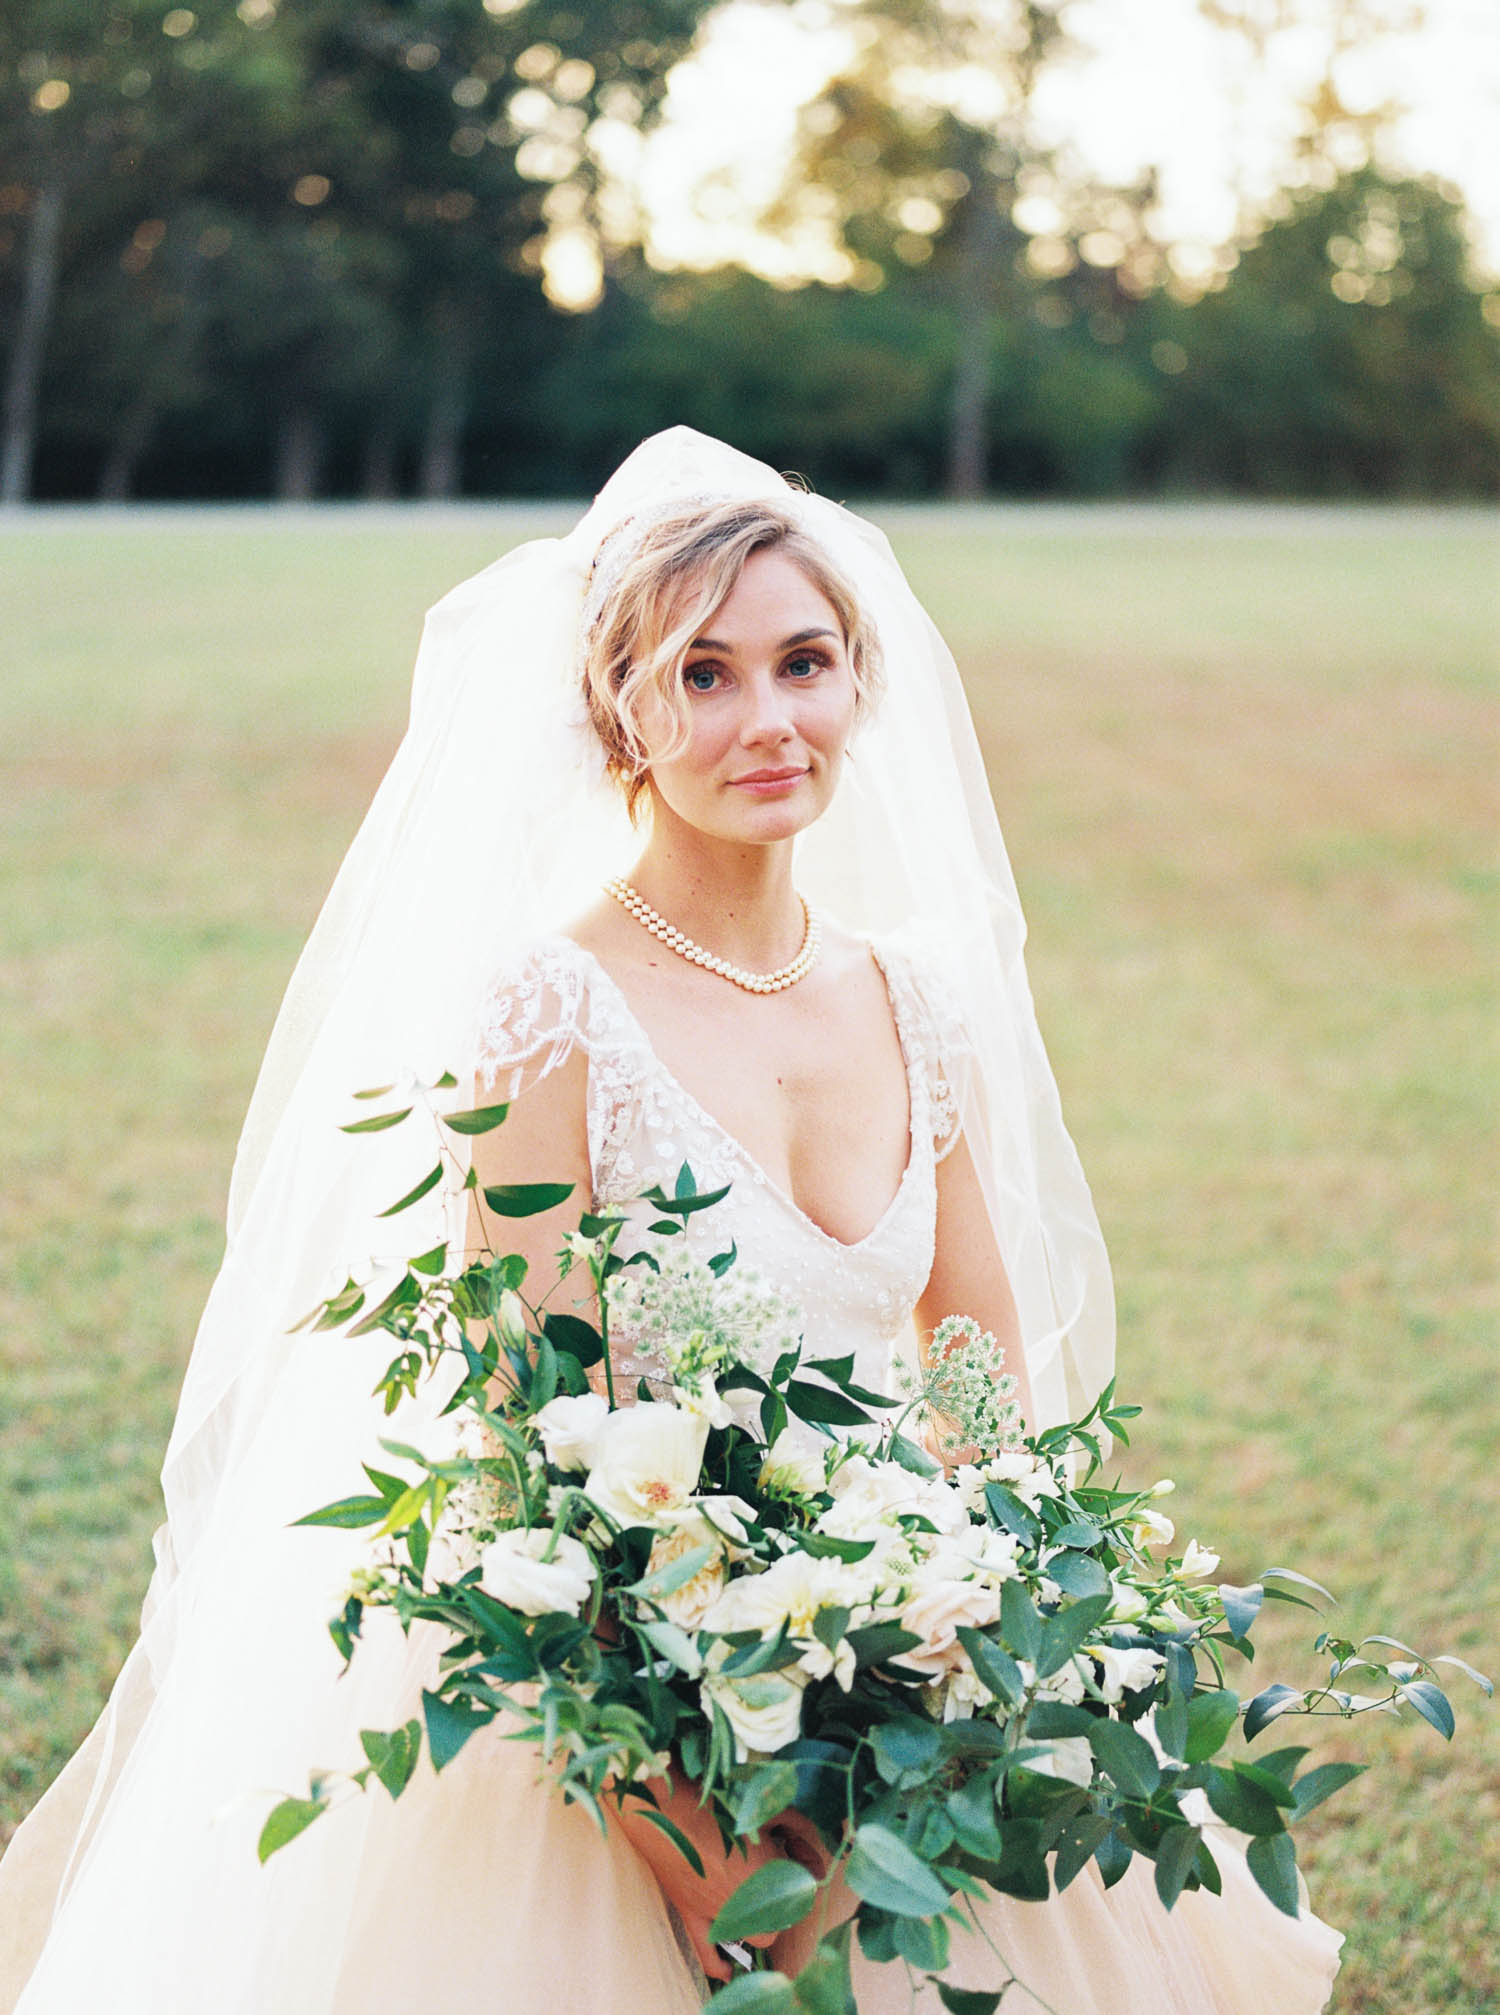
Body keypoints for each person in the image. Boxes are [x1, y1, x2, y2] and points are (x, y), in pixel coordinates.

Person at [0, 430, 1342, 2012]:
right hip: (615, 1666)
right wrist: (704, 1843)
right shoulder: (547, 1011)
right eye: (702, 676)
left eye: (804, 662)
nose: (769, 721)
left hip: (897, 1634)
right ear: (611, 706)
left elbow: (980, 1370)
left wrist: (980, 1630)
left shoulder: (919, 995)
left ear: (862, 680)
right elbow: (531, 1449)